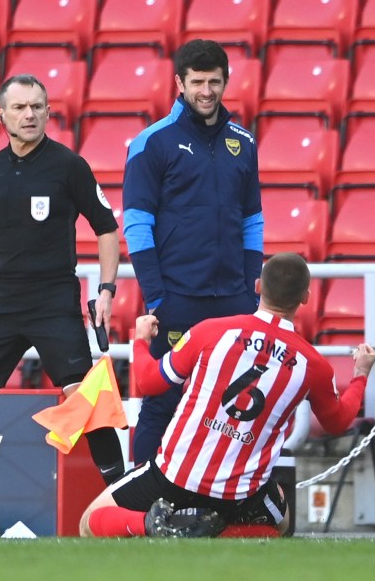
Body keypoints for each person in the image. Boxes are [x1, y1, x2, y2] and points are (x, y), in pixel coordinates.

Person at [79, 253, 375, 538]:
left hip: (177, 477)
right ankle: (216, 531)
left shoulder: (211, 331)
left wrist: (141, 341)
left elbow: (149, 382)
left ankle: (153, 525)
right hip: (240, 494)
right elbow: (339, 422)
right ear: (306, 298)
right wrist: (360, 375)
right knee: (282, 523)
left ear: (258, 287)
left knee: (89, 521)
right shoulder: (312, 364)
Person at [0, 74, 125, 536]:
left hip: (54, 302)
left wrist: (105, 289)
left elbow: (107, 228)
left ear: (48, 111)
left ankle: (125, 511)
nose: (30, 115)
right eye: (21, 107)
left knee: (85, 404)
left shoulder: (69, 166)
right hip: (2, 302)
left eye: (38, 107)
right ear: (1, 115)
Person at [123, 39, 264, 465]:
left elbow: (252, 221)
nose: (207, 91)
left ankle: (220, 500)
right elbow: (136, 224)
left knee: (235, 406)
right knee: (162, 403)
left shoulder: (244, 140)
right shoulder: (152, 143)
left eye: (214, 82)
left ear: (226, 82)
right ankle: (140, 506)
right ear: (180, 83)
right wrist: (158, 296)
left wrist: (249, 289)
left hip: (233, 300)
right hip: (177, 298)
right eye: (198, 82)